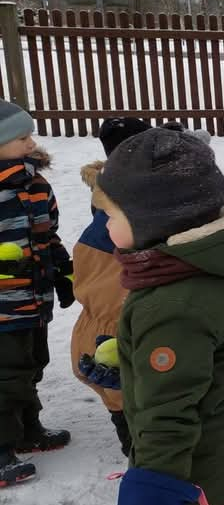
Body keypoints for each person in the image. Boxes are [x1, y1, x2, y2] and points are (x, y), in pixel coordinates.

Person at [94, 128, 224, 505]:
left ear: (153, 219)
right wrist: (134, 358)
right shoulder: (209, 265)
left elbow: (169, 414)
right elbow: (204, 358)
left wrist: (152, 490)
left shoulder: (173, 305)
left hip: (197, 473)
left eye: (110, 214)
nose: (104, 223)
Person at [0, 99, 74, 487]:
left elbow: (49, 233)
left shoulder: (35, 183)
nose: (31, 144)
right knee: (5, 375)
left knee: (32, 365)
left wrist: (63, 270)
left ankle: (28, 429)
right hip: (3, 306)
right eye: (21, 137)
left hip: (34, 298)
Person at [69, 117, 152, 458]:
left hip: (111, 289)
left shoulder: (118, 187)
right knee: (117, 369)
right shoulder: (123, 200)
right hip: (110, 295)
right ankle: (135, 444)